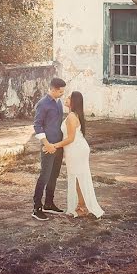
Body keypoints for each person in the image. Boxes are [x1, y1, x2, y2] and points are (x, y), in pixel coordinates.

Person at [52, 91, 104, 219]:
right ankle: (81, 205)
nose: (67, 98)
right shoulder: (74, 115)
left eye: (69, 97)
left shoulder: (71, 117)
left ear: (74, 102)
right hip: (75, 149)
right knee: (78, 178)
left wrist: (55, 146)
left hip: (76, 149)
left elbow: (70, 138)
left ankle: (82, 206)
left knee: (78, 178)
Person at [32, 77, 66, 221]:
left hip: (58, 145)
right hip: (48, 146)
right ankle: (36, 208)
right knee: (44, 176)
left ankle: (49, 203)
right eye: (60, 92)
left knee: (54, 175)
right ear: (52, 89)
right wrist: (46, 144)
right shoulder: (43, 104)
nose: (62, 94)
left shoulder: (59, 102)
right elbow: (37, 125)